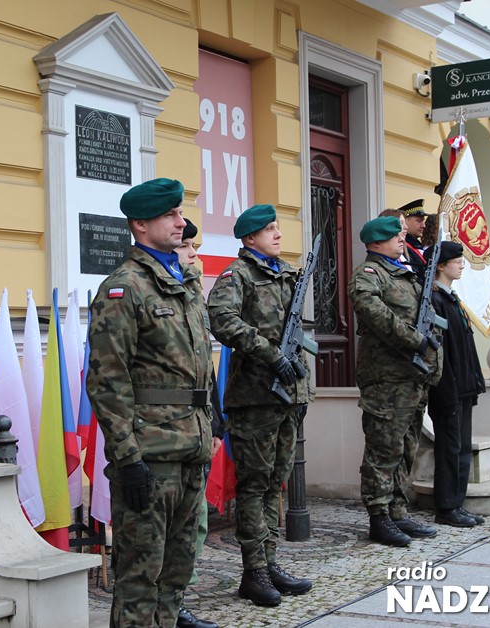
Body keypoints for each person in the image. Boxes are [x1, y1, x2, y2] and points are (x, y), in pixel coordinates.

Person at [86, 178, 214, 628]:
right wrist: (126, 456)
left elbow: (200, 365)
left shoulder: (182, 282)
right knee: (140, 577)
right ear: (141, 224)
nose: (181, 222)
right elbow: (107, 380)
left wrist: (210, 430)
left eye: (179, 213)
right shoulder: (125, 287)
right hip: (150, 455)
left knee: (177, 572)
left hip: (190, 449)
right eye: (170, 215)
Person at [206, 205, 313, 607]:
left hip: (287, 396)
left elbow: (295, 335)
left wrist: (303, 391)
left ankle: (269, 563)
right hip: (254, 397)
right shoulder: (238, 276)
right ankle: (254, 572)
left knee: (274, 483)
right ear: (249, 239)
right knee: (254, 486)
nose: (278, 234)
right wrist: (270, 354)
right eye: (269, 229)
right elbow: (222, 320)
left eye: (277, 227)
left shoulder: (284, 275)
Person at [348, 216, 440, 547]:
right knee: (382, 450)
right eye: (392, 236)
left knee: (406, 447)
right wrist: (414, 340)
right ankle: (379, 516)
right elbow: (376, 316)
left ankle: (398, 510)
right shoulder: (369, 276)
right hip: (385, 379)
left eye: (400, 234)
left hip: (412, 377)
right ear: (374, 244)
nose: (400, 239)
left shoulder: (405, 273)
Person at [174, 219, 222, 628]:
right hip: (165, 433)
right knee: (167, 532)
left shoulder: (192, 297)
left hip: (198, 424)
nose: (195, 255)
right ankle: (168, 607)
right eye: (187, 247)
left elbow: (204, 368)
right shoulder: (133, 290)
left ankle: (178, 600)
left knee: (196, 522)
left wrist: (216, 421)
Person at [426, 242, 486, 527]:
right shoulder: (435, 301)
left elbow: (465, 348)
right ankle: (446, 507)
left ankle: (458, 504)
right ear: (440, 265)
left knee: (461, 448)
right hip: (448, 389)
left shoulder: (451, 299)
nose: (462, 264)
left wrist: (473, 383)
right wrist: (447, 391)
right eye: (456, 260)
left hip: (463, 386)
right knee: (449, 449)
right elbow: (441, 354)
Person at [398, 199, 434, 276]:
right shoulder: (402, 247)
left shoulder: (415, 244)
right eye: (419, 221)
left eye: (423, 221)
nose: (423, 226)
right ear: (404, 220)